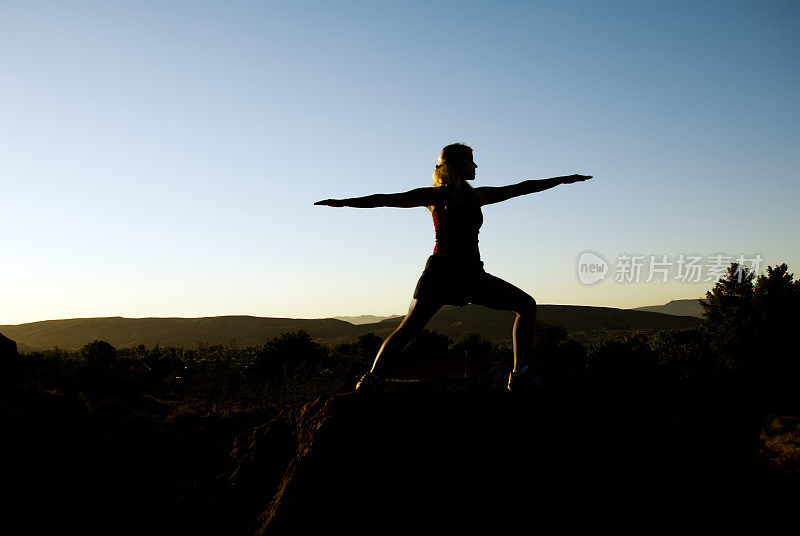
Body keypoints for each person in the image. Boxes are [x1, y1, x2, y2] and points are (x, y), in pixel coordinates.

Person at [315, 143, 592, 391]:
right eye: (471, 161)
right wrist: (344, 203)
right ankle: (372, 378)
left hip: (472, 274)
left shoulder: (477, 196)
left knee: (526, 305)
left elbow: (521, 187)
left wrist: (563, 180)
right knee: (408, 329)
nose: (476, 166)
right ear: (458, 165)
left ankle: (520, 373)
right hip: (441, 273)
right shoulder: (436, 196)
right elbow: (387, 198)